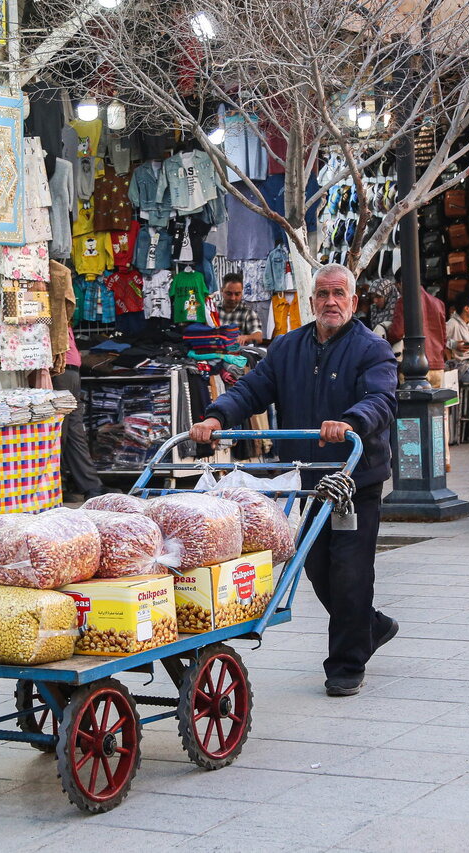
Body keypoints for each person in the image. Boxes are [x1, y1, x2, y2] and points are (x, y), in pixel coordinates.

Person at [189, 263, 399, 697]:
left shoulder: (371, 349)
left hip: (355, 479)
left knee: (350, 572)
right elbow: (251, 391)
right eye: (323, 294)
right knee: (318, 569)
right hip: (310, 481)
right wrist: (215, 416)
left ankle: (346, 664)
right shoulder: (287, 347)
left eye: (339, 293)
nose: (331, 302)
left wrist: (350, 421)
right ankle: (369, 625)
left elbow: (381, 398)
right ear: (312, 301)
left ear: (353, 301)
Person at [51, 326, 108, 501]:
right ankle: (63, 487)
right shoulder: (53, 305)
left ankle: (87, 486)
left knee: (68, 431)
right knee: (64, 432)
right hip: (62, 369)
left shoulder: (56, 306)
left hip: (66, 369)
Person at [387, 276, 448, 385]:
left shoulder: (404, 302)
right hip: (437, 365)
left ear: (400, 284)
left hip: (414, 366)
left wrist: (386, 340)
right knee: (436, 401)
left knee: (412, 400)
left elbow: (397, 332)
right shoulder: (438, 303)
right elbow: (443, 337)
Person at [216, 273, 264, 345]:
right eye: (229, 294)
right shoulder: (213, 310)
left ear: (242, 292)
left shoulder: (248, 313)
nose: (233, 298)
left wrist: (246, 337)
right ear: (222, 291)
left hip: (238, 354)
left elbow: (258, 337)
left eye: (237, 294)